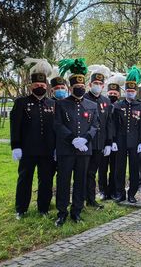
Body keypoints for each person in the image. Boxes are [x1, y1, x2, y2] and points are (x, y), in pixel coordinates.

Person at [54, 58, 99, 226]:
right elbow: (57, 124)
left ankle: (77, 211)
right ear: (70, 88)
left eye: (81, 87)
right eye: (75, 87)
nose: (79, 89)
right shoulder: (61, 104)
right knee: (63, 180)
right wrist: (72, 139)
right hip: (66, 149)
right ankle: (62, 212)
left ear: (85, 87)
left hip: (84, 150)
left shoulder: (91, 104)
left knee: (80, 180)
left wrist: (86, 139)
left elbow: (95, 125)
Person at [10, 58, 56, 219]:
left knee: (46, 181)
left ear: (47, 86)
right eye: (36, 86)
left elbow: (56, 129)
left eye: (42, 86)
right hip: (27, 150)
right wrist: (15, 146)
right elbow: (15, 126)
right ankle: (21, 209)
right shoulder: (22, 103)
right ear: (31, 86)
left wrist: (56, 147)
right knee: (25, 179)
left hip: (47, 151)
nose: (40, 88)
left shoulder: (52, 104)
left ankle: (43, 208)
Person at [112, 66, 141, 203]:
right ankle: (120, 193)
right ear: (125, 91)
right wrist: (113, 140)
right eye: (128, 91)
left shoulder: (140, 106)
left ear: (136, 92)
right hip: (120, 141)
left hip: (134, 141)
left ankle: (132, 193)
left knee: (133, 169)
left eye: (132, 91)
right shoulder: (118, 106)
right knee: (119, 169)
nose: (130, 93)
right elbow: (113, 124)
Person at [83, 65, 113, 209]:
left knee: (92, 172)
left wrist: (108, 142)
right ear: (90, 84)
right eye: (96, 84)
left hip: (100, 143)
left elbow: (108, 123)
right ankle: (84, 198)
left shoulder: (106, 101)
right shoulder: (83, 99)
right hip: (86, 143)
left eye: (101, 84)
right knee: (84, 172)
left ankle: (90, 199)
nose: (98, 86)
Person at [99, 73, 125, 200]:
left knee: (115, 168)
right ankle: (103, 191)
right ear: (107, 93)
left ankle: (113, 190)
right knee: (102, 167)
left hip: (117, 142)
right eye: (110, 93)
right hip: (104, 140)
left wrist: (116, 140)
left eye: (115, 93)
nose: (112, 95)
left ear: (119, 95)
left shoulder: (121, 107)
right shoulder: (103, 105)